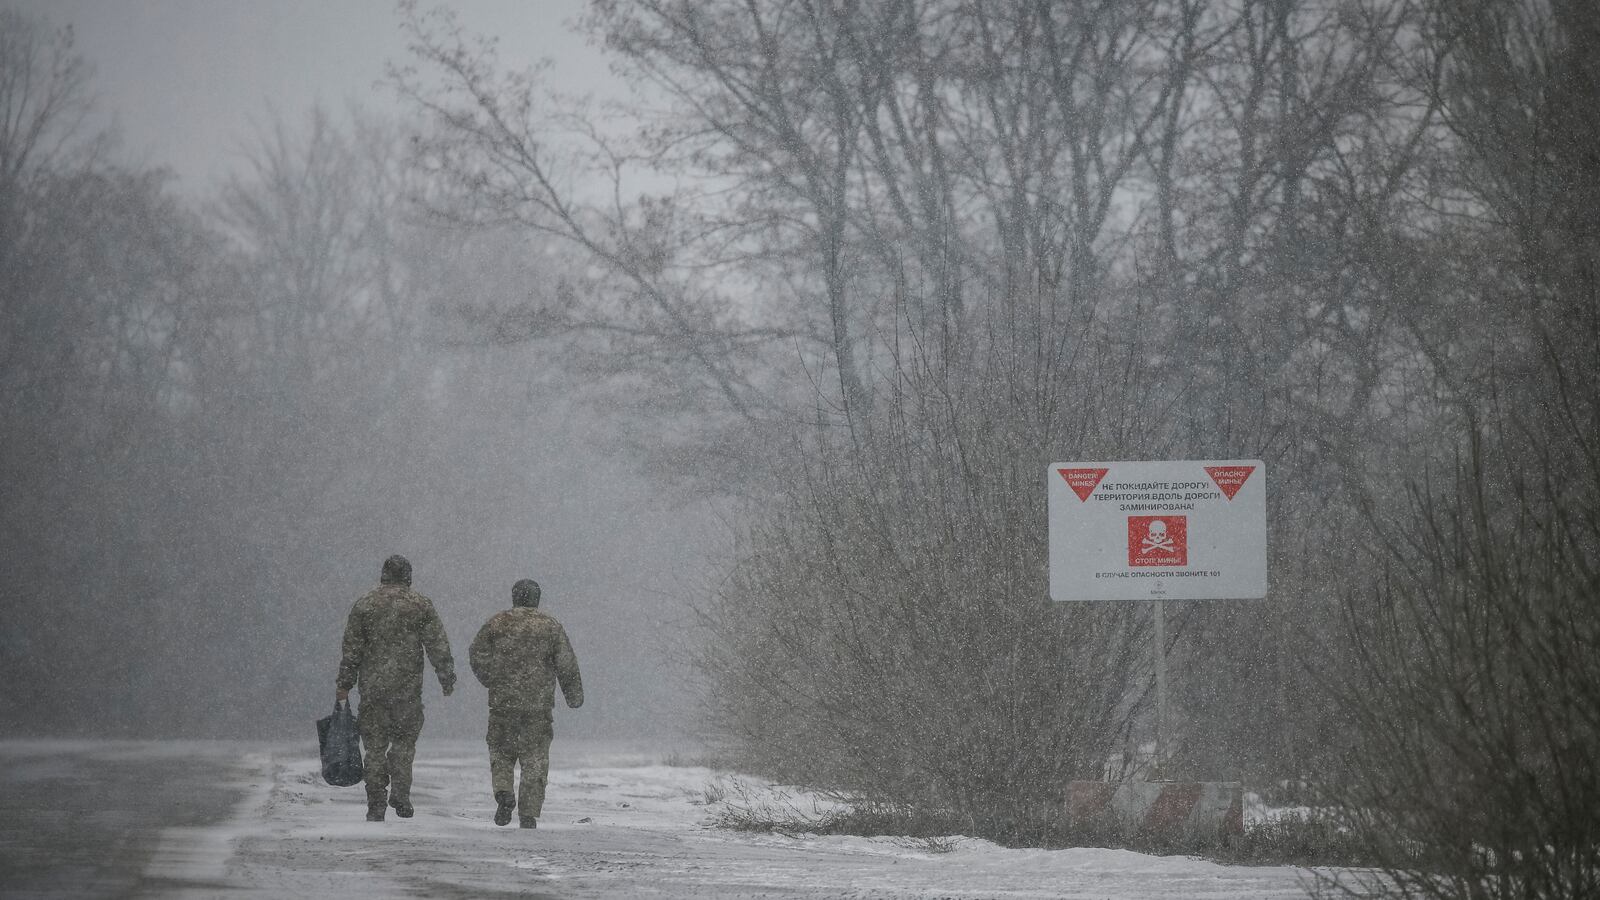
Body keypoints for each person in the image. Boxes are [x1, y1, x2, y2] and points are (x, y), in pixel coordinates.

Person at [336, 554, 456, 822]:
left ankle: (375, 800)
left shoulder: (365, 605)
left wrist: (344, 683)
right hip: (407, 689)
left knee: (375, 747)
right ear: (408, 577)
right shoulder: (420, 605)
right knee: (404, 743)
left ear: (384, 575)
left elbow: (352, 650)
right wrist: (446, 676)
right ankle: (400, 792)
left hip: (372, 689)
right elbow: (437, 643)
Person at [469, 579, 583, 828]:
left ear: (514, 597)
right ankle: (528, 813)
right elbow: (566, 663)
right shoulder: (550, 626)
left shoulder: (497, 622)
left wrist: (493, 679)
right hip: (538, 706)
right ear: (536, 598)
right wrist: (573, 694)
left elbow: (476, 653)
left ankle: (503, 792)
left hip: (503, 704)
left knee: (501, 751)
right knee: (535, 758)